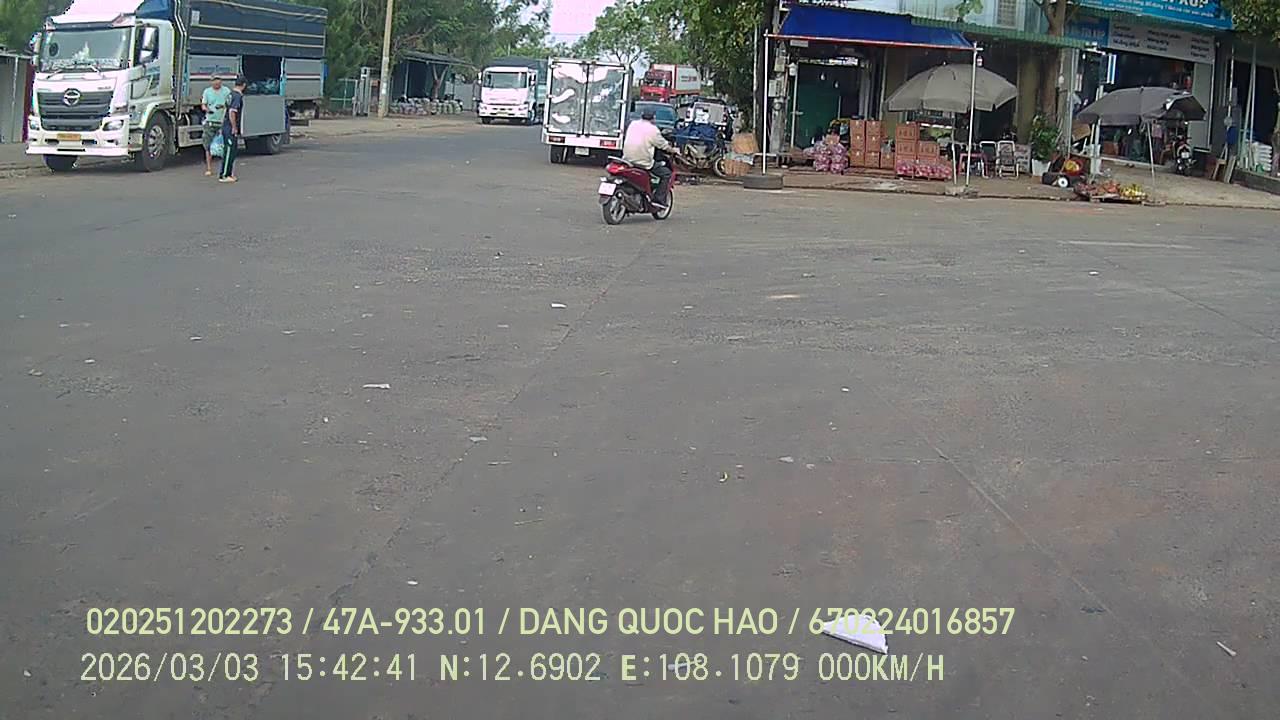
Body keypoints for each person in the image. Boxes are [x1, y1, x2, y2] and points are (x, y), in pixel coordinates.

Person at [622, 108, 673, 208]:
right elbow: (663, 145)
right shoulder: (653, 130)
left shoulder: (633, 124)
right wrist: (674, 150)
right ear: (653, 118)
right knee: (667, 174)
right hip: (643, 162)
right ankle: (658, 200)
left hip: (627, 159)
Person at [200, 75, 232, 176]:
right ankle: (209, 168)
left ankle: (224, 167)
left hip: (222, 121)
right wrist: (207, 110)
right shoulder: (207, 91)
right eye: (214, 80)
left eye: (218, 80)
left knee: (223, 146)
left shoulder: (226, 91)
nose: (216, 82)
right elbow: (203, 105)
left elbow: (230, 103)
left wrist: (223, 106)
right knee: (208, 145)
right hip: (210, 121)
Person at [218, 76, 246, 184]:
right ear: (244, 85)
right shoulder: (237, 96)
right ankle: (224, 174)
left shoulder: (230, 94)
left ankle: (229, 173)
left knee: (232, 151)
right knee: (229, 151)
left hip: (226, 126)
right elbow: (232, 112)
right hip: (230, 127)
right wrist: (234, 127)